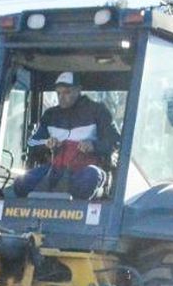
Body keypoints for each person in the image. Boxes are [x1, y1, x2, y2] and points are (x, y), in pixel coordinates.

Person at [12, 71, 119, 201]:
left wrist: (93, 146)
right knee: (21, 183)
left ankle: (74, 212)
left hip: (83, 170)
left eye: (67, 92)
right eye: (58, 93)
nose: (61, 97)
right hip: (54, 170)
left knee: (91, 176)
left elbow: (115, 142)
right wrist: (46, 143)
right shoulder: (51, 115)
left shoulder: (97, 111)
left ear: (78, 90)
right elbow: (32, 143)